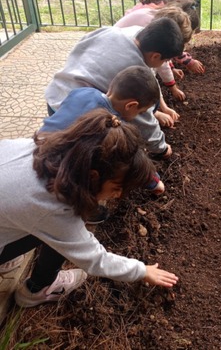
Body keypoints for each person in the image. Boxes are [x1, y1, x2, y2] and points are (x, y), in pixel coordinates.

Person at [0, 110, 178, 308]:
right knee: (65, 229)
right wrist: (142, 271)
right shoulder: (52, 206)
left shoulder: (42, 147)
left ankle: (8, 253)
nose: (117, 195)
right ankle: (37, 289)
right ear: (93, 176)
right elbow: (95, 259)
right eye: (116, 188)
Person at [45, 17, 184, 159]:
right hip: (80, 120)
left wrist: (157, 112)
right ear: (155, 56)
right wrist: (161, 148)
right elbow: (142, 120)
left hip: (55, 97)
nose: (164, 64)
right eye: (165, 61)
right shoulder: (133, 71)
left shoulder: (110, 32)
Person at [41, 66, 165, 197]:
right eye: (140, 113)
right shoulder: (108, 127)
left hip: (38, 145)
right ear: (130, 106)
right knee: (94, 175)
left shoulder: (83, 91)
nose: (138, 116)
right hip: (54, 171)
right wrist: (154, 182)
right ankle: (90, 210)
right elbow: (132, 159)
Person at [116, 0, 205, 103]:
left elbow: (165, 56)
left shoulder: (157, 20)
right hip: (119, 61)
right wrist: (173, 88)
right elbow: (161, 65)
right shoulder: (152, 32)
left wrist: (173, 68)